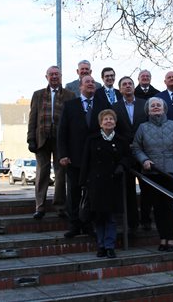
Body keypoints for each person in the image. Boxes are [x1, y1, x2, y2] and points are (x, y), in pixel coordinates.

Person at [58, 75, 110, 238]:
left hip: (95, 158)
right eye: (87, 82)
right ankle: (75, 225)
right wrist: (63, 154)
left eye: (92, 83)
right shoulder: (70, 105)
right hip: (74, 158)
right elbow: (62, 132)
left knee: (92, 193)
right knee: (73, 193)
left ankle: (88, 225)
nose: (90, 84)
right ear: (80, 87)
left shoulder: (103, 105)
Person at [80, 109, 131, 258]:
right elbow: (85, 161)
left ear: (115, 123)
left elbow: (128, 156)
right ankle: (100, 245)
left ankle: (109, 246)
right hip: (95, 184)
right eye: (105, 119)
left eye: (111, 119)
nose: (108, 121)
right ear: (100, 123)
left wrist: (122, 165)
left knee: (111, 217)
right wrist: (83, 182)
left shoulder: (121, 140)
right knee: (98, 216)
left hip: (113, 183)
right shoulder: (92, 139)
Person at [27, 65, 75, 219]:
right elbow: (32, 118)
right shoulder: (38, 95)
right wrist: (30, 139)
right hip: (42, 139)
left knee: (61, 174)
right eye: (51, 74)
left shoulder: (70, 95)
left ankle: (60, 206)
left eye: (57, 74)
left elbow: (72, 121)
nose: (54, 77)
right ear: (46, 77)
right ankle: (40, 207)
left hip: (61, 140)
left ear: (61, 76)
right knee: (42, 173)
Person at [132, 97, 173, 251]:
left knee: (169, 207)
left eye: (159, 105)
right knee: (158, 208)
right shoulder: (143, 128)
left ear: (164, 108)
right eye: (153, 106)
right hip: (152, 173)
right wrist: (144, 160)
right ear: (148, 110)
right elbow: (136, 148)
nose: (156, 107)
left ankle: (171, 238)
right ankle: (163, 238)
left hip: (170, 172)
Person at [112, 76, 148, 231]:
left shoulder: (144, 104)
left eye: (130, 84)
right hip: (125, 153)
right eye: (124, 84)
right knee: (128, 189)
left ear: (134, 87)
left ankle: (146, 219)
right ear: (120, 89)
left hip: (144, 151)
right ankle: (131, 223)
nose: (127, 86)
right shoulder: (115, 107)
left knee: (147, 187)